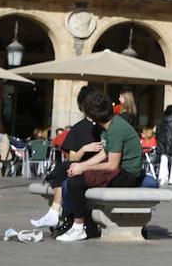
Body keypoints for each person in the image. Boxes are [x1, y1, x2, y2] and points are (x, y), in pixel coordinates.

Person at [56, 91, 146, 242]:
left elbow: (112, 165)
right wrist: (80, 165)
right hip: (121, 171)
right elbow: (104, 153)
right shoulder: (112, 125)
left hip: (127, 175)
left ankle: (78, 226)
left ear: (93, 117)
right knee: (69, 170)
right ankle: (76, 221)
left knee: (75, 182)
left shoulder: (115, 129)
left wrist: (83, 169)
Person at [31, 86, 103, 230]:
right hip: (78, 167)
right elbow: (72, 157)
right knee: (63, 169)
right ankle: (55, 213)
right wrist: (84, 149)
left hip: (97, 169)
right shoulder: (78, 128)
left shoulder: (104, 126)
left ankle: (55, 213)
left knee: (63, 171)